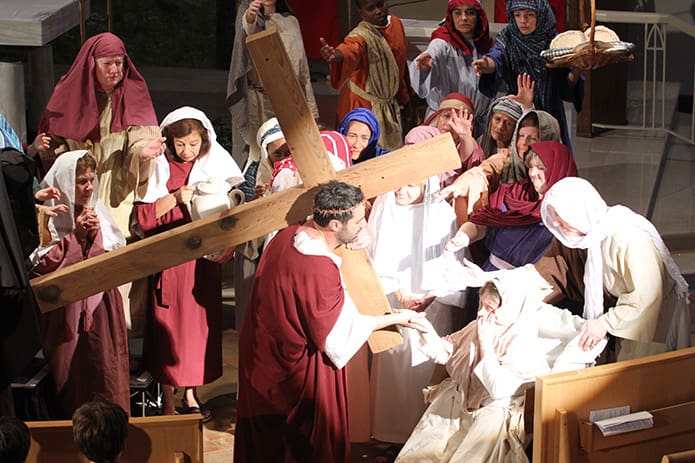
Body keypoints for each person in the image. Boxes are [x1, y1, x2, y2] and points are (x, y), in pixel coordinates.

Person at [234, 180, 426, 463]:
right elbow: (335, 335)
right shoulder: (318, 267)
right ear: (335, 224)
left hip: (262, 359)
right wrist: (398, 317)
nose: (364, 226)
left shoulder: (285, 237)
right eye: (359, 221)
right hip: (297, 377)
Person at [395, 273, 605, 463]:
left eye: (490, 309)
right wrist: (423, 328)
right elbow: (446, 350)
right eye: (481, 305)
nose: (481, 314)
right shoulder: (479, 325)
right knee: (421, 452)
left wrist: (486, 345)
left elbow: (498, 389)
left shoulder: (522, 341)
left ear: (508, 309)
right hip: (462, 399)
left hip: (494, 410)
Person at [134, 107, 244, 418]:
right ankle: (168, 398)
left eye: (193, 144)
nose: (187, 151)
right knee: (168, 329)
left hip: (201, 264)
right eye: (180, 144)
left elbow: (231, 216)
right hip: (170, 261)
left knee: (198, 330)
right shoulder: (157, 169)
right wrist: (175, 198)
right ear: (168, 141)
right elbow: (143, 217)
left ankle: (193, 394)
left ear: (204, 141)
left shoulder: (213, 167)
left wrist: (230, 246)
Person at [538, 177, 691, 361]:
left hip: (652, 318)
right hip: (628, 316)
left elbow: (648, 294)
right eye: (555, 221)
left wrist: (604, 323)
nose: (559, 226)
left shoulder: (626, 237)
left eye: (561, 220)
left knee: (646, 378)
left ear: (578, 212)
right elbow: (547, 271)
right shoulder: (589, 237)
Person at [30, 150, 130, 418]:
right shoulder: (49, 215)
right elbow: (41, 265)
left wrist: (94, 236)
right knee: (71, 374)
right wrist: (75, 236)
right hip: (65, 310)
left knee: (104, 369)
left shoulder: (98, 210)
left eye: (91, 180)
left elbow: (114, 250)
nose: (89, 187)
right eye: (81, 182)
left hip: (101, 309)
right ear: (64, 183)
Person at [368, 176, 467, 445]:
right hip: (392, 299)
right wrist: (399, 292)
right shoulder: (385, 205)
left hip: (431, 305)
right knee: (393, 365)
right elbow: (374, 255)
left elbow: (452, 263)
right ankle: (390, 434)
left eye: (411, 185)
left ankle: (423, 436)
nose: (401, 190)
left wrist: (429, 296)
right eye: (399, 183)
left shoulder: (441, 212)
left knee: (424, 365)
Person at [37, 32, 164, 237]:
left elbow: (141, 137)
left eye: (119, 63)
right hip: (77, 189)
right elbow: (53, 143)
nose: (114, 70)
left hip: (116, 185)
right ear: (91, 64)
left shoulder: (133, 93)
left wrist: (142, 152)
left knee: (113, 245)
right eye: (107, 64)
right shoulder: (69, 93)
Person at [446, 141, 577, 271]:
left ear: (558, 169)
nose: (532, 173)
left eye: (540, 168)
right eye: (531, 166)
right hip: (488, 274)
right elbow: (481, 223)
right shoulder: (513, 193)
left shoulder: (566, 214)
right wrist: (462, 237)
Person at [472, 0, 582, 147]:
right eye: (518, 15)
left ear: (541, 15)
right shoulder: (507, 38)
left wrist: (578, 66)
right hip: (516, 110)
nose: (523, 21)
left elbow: (566, 82)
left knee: (549, 160)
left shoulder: (555, 42)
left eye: (529, 15)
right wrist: (488, 65)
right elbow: (497, 56)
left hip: (548, 112)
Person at [226, 0, 319, 168]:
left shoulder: (291, 21)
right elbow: (249, 32)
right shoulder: (249, 15)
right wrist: (251, 16)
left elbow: (302, 69)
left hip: (289, 99)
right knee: (259, 154)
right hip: (259, 101)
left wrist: (310, 109)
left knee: (290, 149)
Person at [437, 109, 561, 219]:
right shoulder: (507, 158)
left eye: (532, 138)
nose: (523, 142)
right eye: (521, 136)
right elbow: (481, 173)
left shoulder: (560, 169)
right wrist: (460, 186)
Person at [320, 0, 410, 150]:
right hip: (363, 104)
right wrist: (335, 55)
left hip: (388, 101)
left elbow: (400, 64)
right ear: (362, 13)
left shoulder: (396, 24)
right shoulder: (360, 36)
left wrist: (404, 97)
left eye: (380, 4)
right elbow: (350, 49)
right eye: (370, 9)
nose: (378, 11)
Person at [409, 0, 493, 135]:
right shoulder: (442, 42)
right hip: (445, 123)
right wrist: (425, 66)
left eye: (470, 13)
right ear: (451, 15)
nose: (464, 18)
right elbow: (434, 52)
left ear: (479, 16)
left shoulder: (485, 43)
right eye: (458, 13)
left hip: (476, 124)